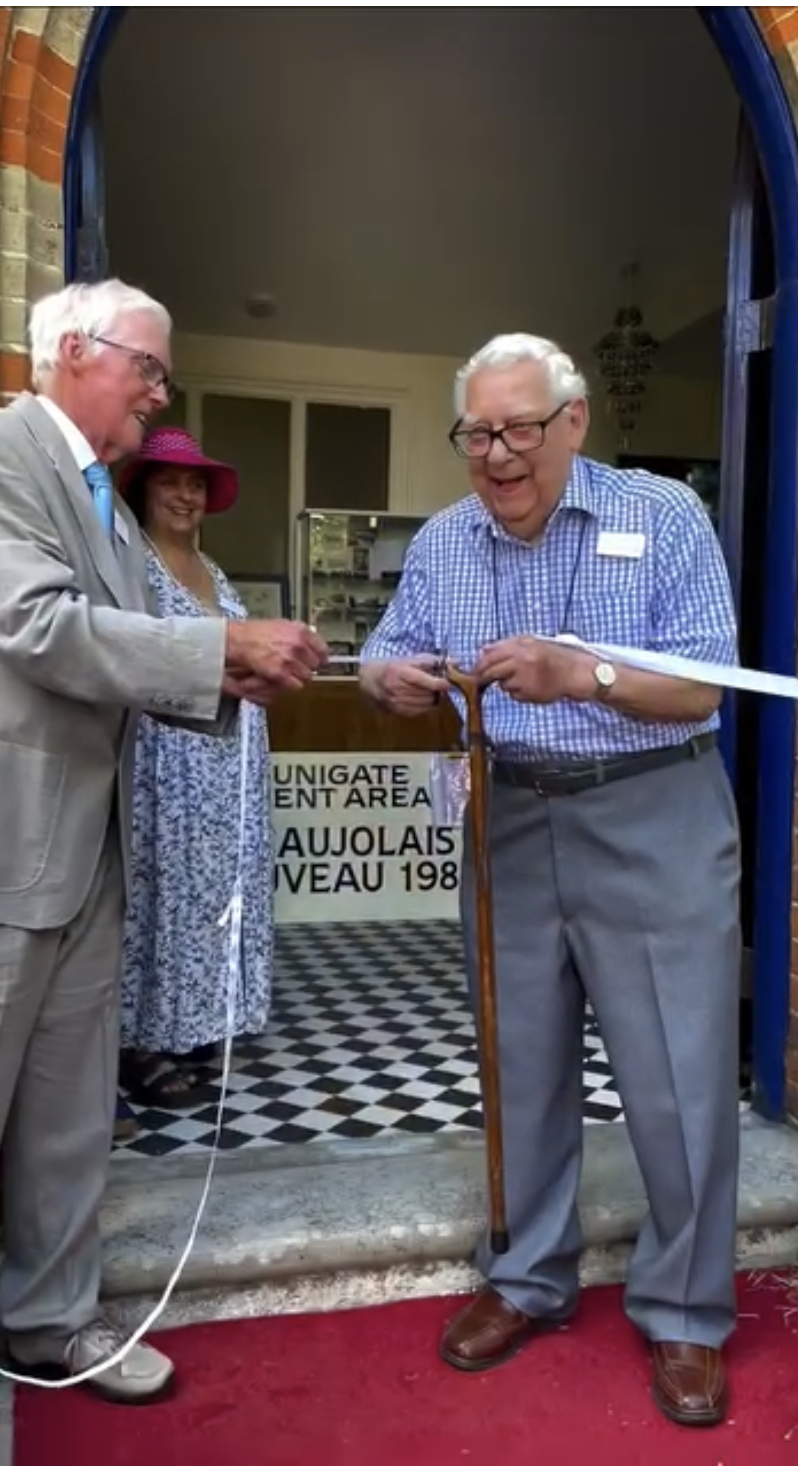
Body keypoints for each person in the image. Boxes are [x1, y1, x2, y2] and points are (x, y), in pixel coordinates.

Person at [360, 332, 741, 1429]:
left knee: (676, 1068)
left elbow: (705, 687)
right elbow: (395, 644)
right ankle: (529, 1273)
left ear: (574, 420)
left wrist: (587, 671)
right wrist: (393, 674)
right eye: (477, 432)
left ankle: (685, 1310)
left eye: (521, 427)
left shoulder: (664, 515)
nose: (498, 454)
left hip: (652, 806)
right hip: (509, 813)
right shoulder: (443, 540)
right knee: (518, 1058)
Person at [0, 277, 328, 1403]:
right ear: (76, 350)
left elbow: (156, 639)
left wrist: (243, 667)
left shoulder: (100, 498)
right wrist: (225, 645)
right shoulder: (0, 456)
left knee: (70, 1115)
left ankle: (51, 1320)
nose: (158, 390)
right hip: (8, 850)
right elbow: (40, 627)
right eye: (150, 366)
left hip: (94, 855)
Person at [118, 427, 274, 1105]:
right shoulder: (133, 567)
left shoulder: (213, 572)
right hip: (169, 757)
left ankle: (199, 1019)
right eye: (169, 482)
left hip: (230, 760)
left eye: (195, 485)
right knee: (163, 889)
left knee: (218, 890)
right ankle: (142, 1041)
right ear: (143, 491)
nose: (184, 495)